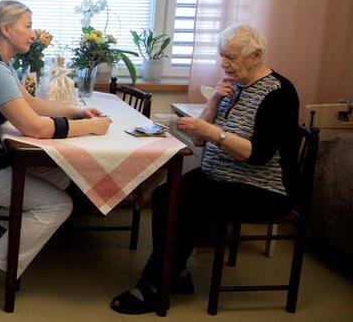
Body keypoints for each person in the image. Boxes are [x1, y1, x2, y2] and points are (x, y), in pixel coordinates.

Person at [110, 24, 299, 314]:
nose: (224, 64)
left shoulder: (279, 93)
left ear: (257, 55)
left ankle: (154, 286)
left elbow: (258, 155)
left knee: (187, 203)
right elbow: (198, 138)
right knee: (164, 196)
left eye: (232, 58)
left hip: (262, 188)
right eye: (222, 56)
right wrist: (212, 102)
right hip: (220, 177)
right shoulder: (233, 84)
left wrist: (212, 133)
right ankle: (178, 273)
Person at [0, 0, 112, 299]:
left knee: (60, 172)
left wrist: (75, 113)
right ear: (6, 30)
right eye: (28, 26)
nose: (33, 34)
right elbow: (34, 128)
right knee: (58, 205)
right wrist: (89, 128)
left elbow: (31, 104)